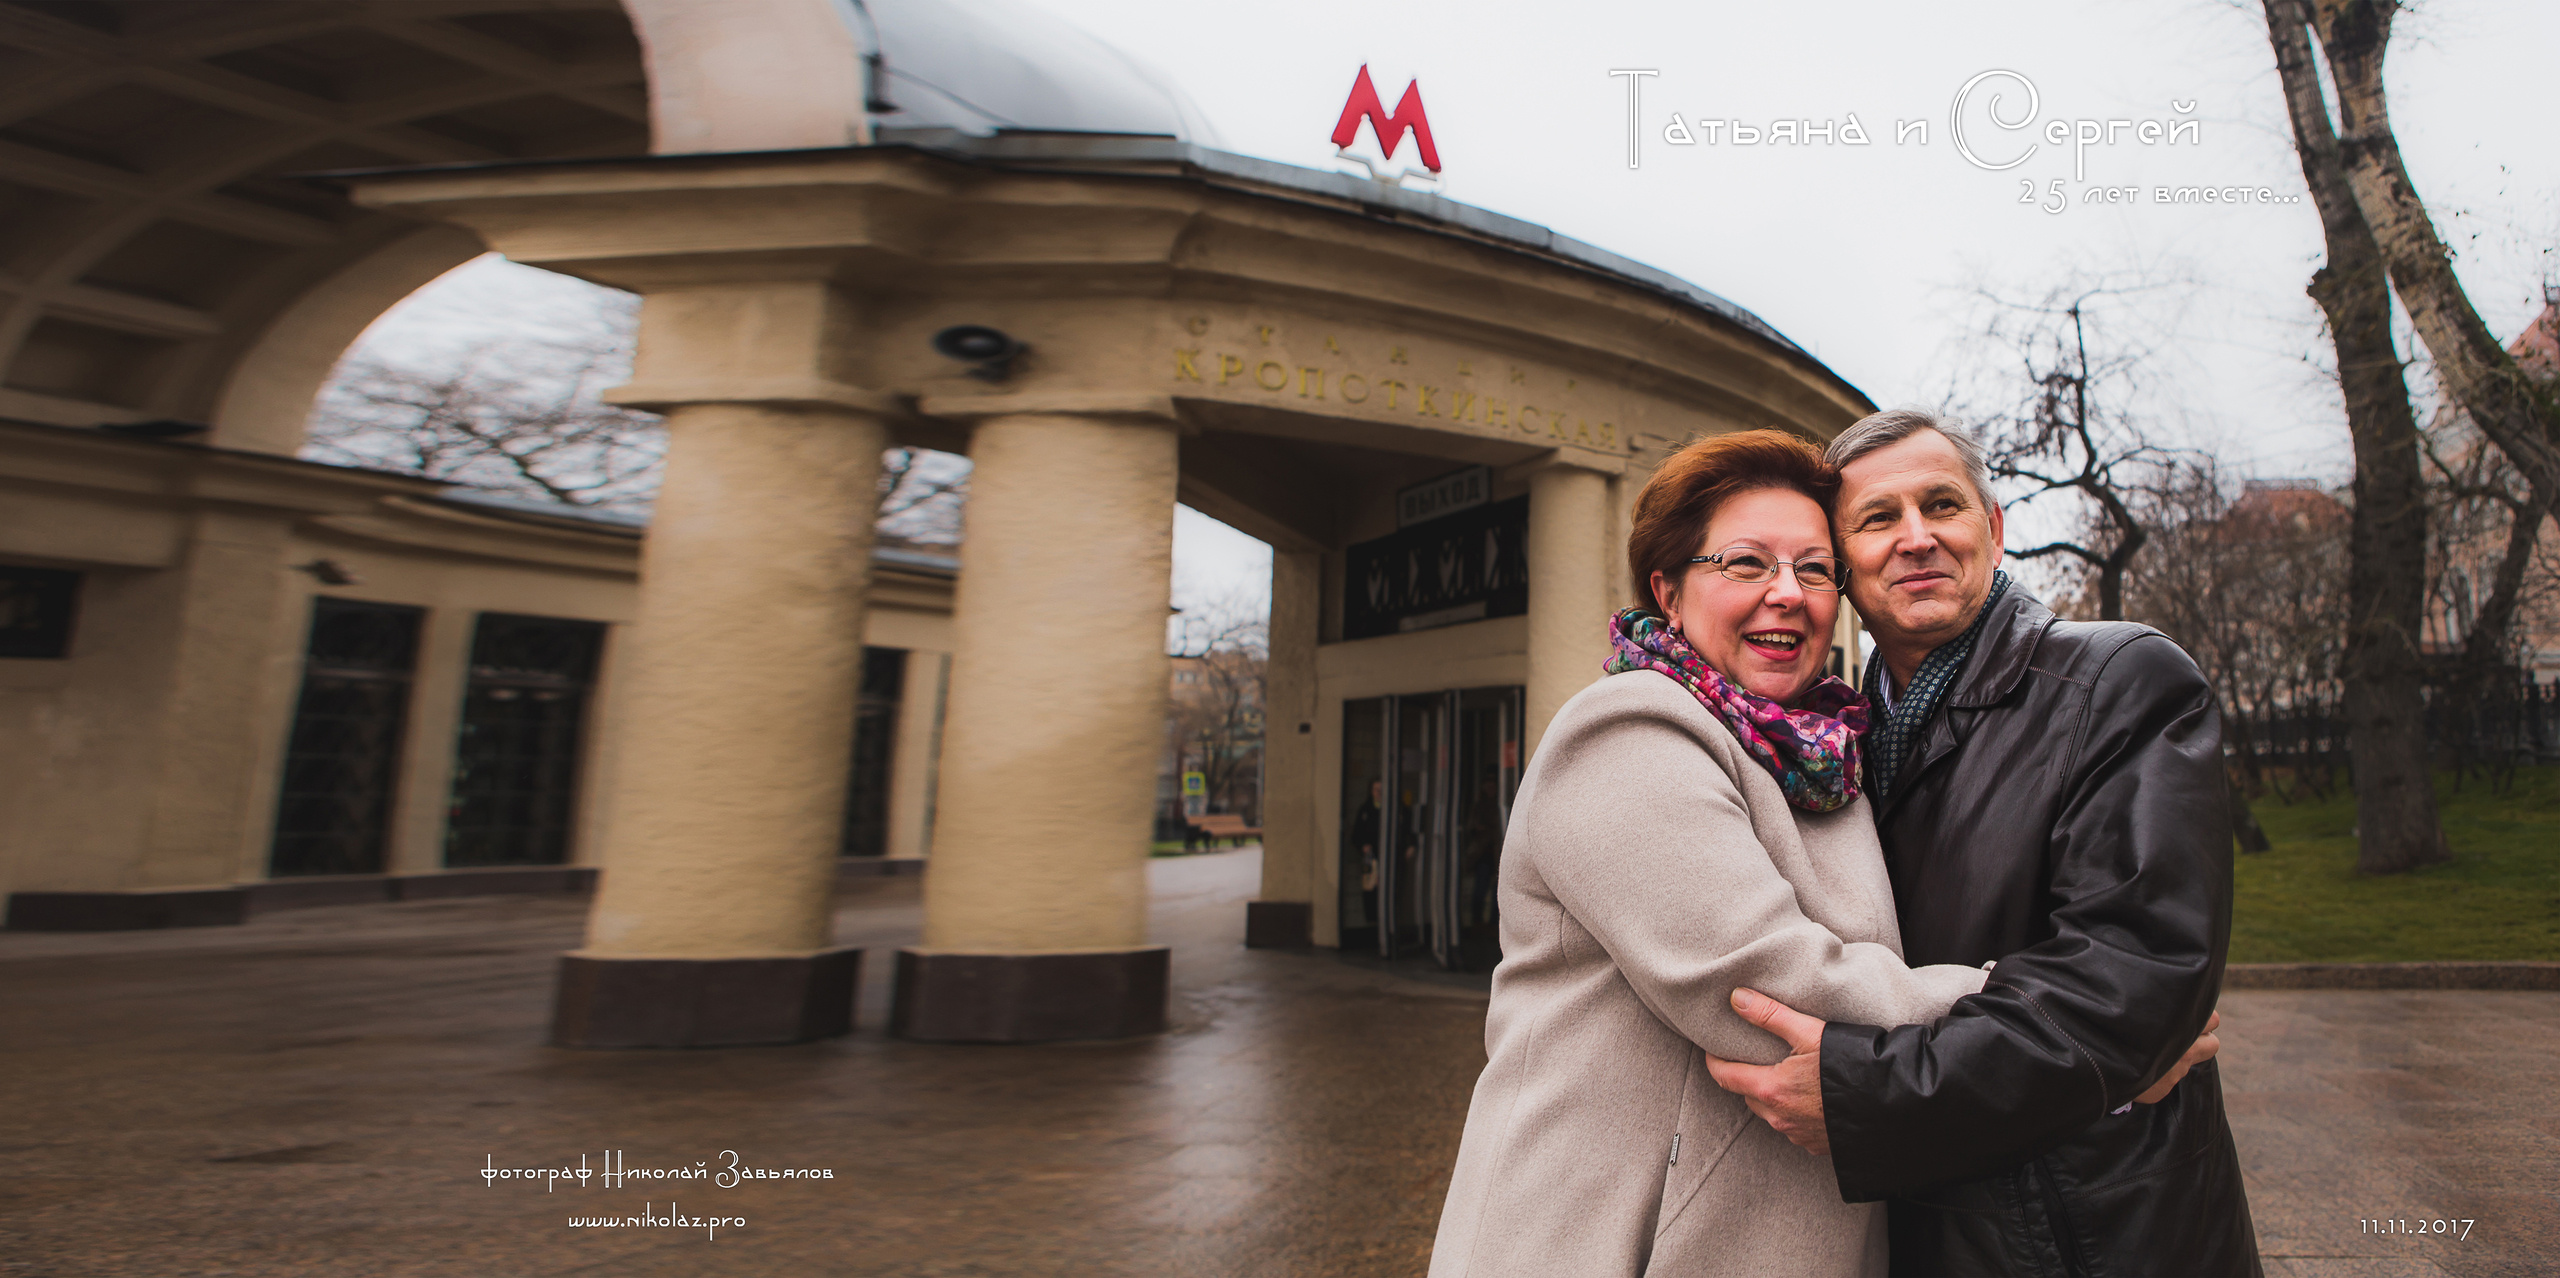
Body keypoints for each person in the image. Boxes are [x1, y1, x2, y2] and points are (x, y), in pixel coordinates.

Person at [1431, 431, 2007, 1276]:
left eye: (1815, 570)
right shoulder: (1626, 730)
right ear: (1668, 588)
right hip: (1607, 1241)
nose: (1788, 593)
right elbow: (1772, 991)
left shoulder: (1825, 754)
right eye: (1746, 564)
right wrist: (2065, 1028)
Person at [1702, 409, 2259, 1276]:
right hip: (1910, 1230)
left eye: (1943, 506)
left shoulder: (2118, 681)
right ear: (1842, 567)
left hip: (2089, 1231)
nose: (1916, 538)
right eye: (1878, 518)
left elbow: (2130, 982)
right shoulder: (1823, 744)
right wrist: (2107, 1054)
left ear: (1993, 531)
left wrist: (1871, 1095)